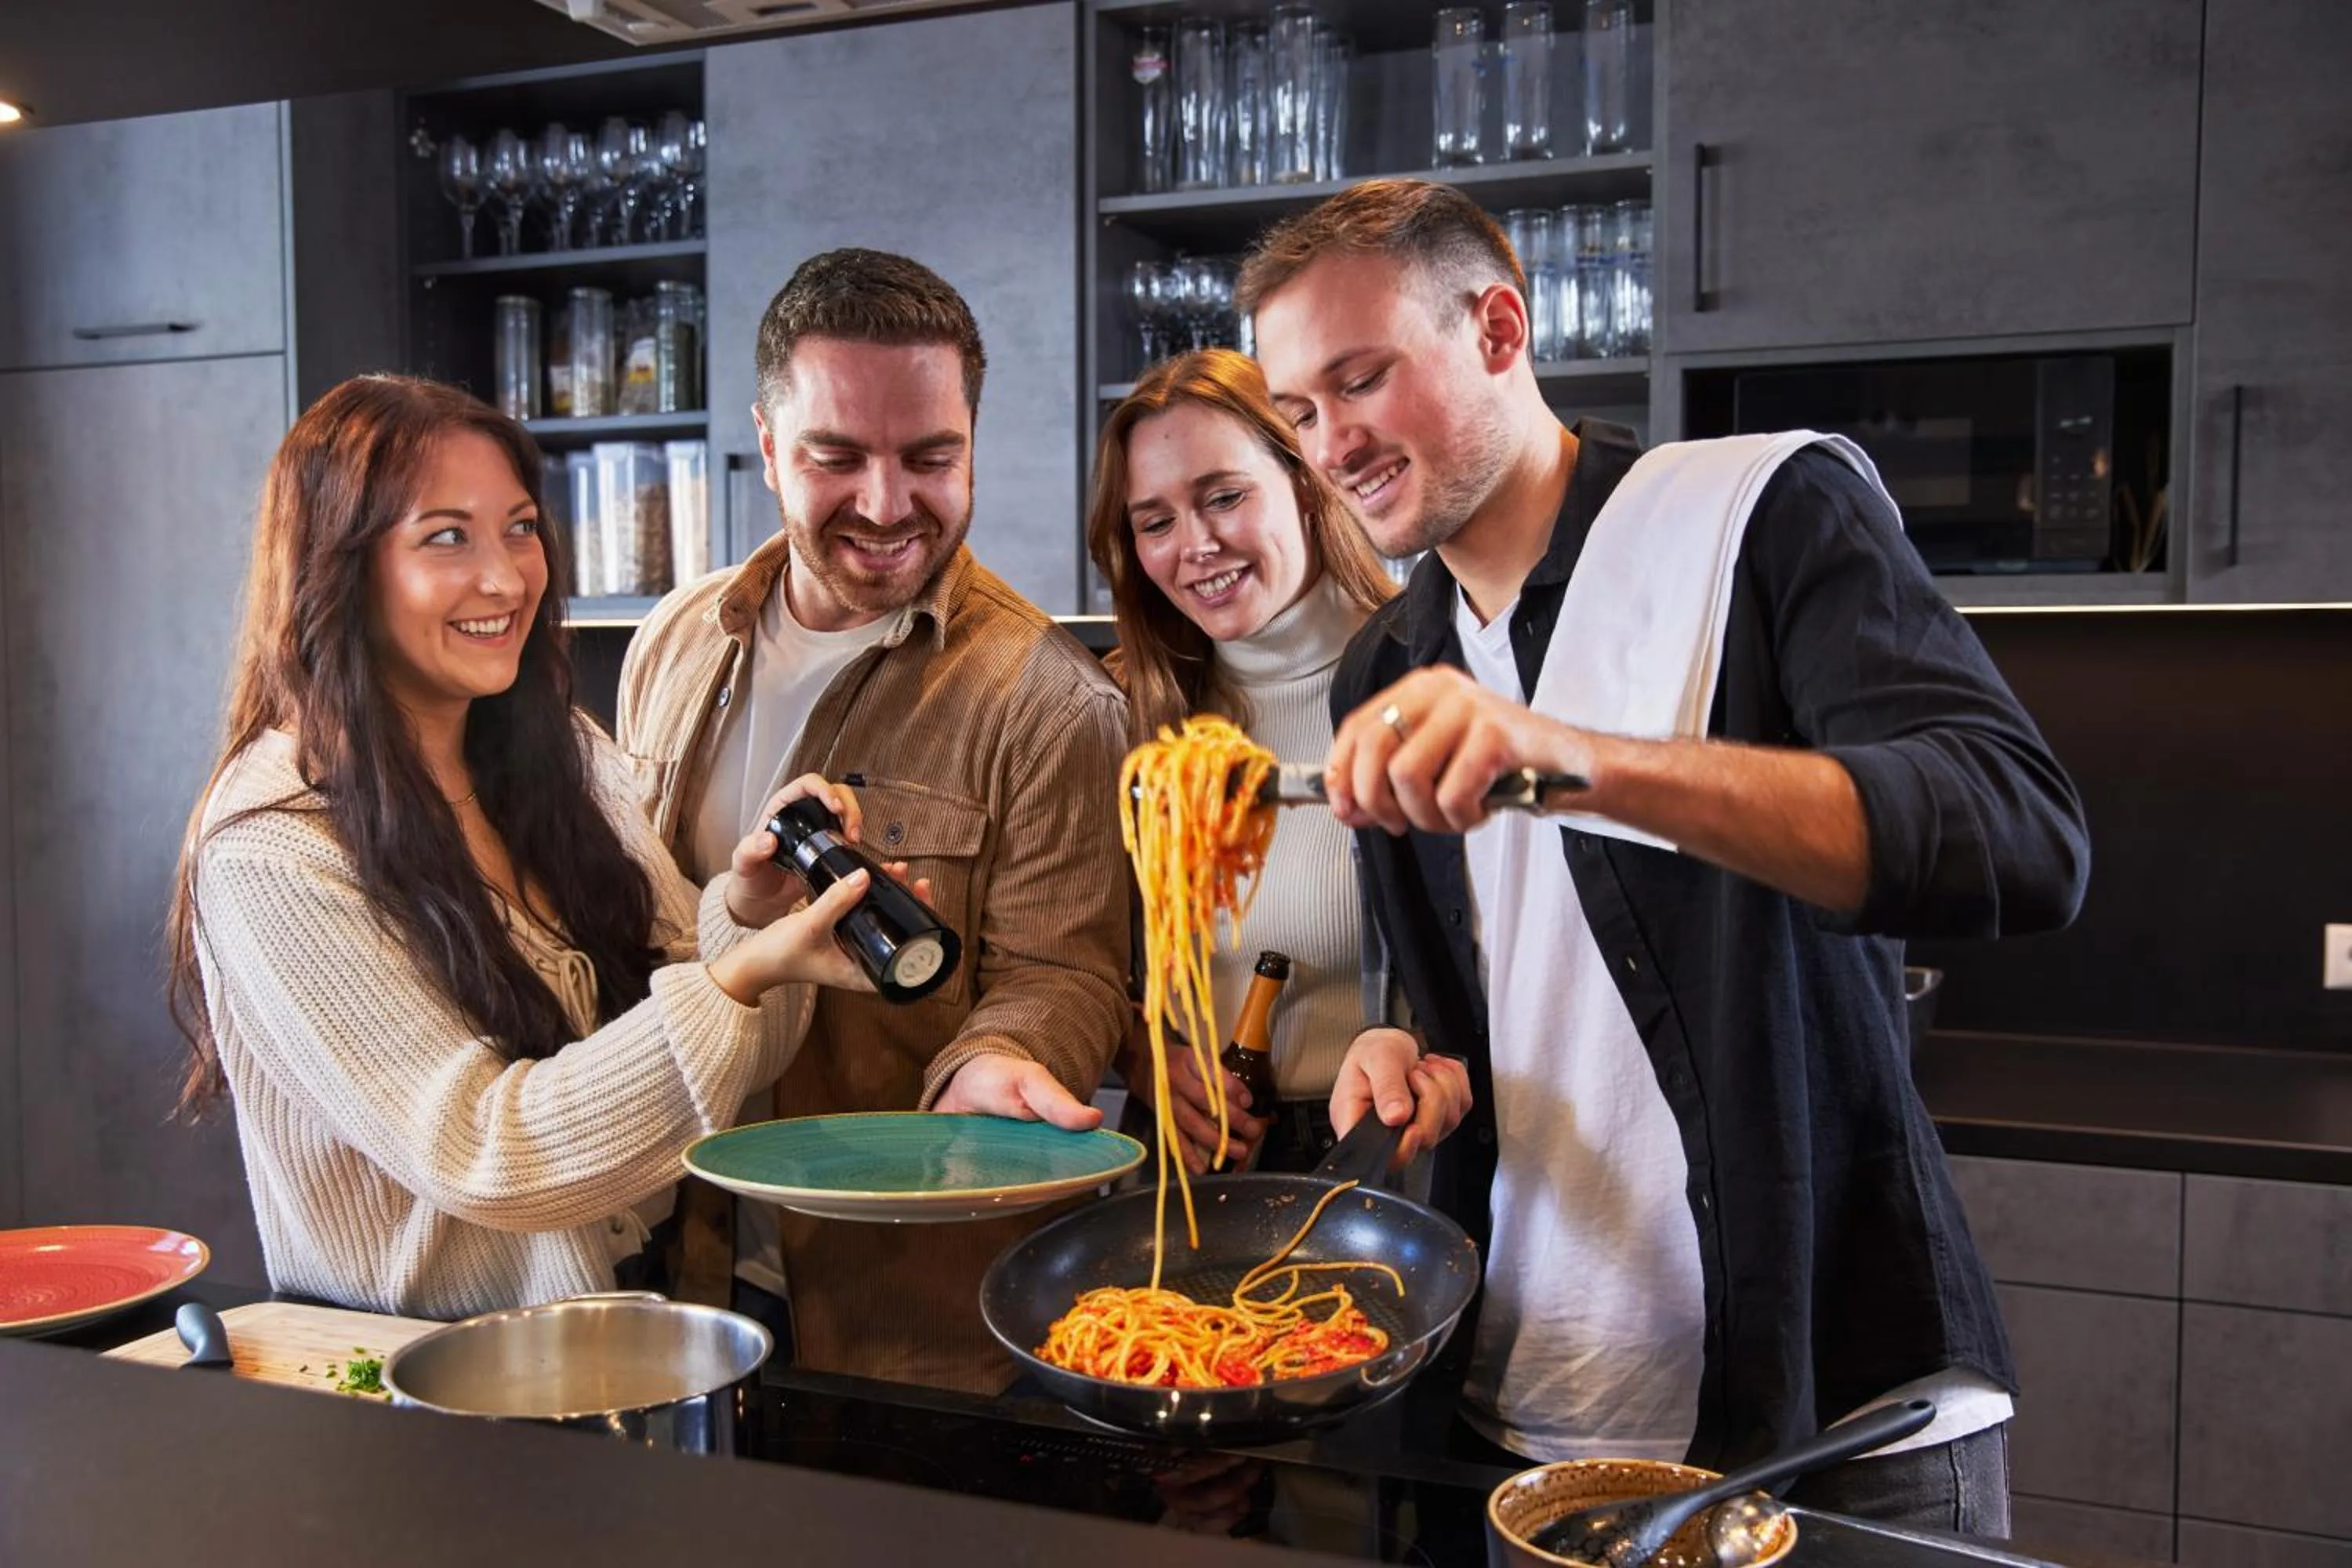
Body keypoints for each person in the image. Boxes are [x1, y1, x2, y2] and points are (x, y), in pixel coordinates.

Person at [1241, 180, 2090, 1535]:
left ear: (1501, 329)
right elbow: (1491, 997)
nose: (1332, 443)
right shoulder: (1386, 668)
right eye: (1299, 412)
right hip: (1516, 1413)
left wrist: (1583, 761)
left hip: (1831, 1414)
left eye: (1363, 380)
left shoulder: (1755, 515)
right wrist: (1406, 1053)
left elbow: (2020, 836)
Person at [165, 375, 889, 1320]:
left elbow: (722, 1052)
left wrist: (755, 915)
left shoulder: (562, 756)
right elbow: (488, 1156)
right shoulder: (274, 848)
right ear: (335, 568)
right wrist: (741, 975)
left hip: (629, 1332)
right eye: (446, 536)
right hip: (421, 1391)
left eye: (519, 526)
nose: (506, 576)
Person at [616, 249, 1131, 1393]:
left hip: (902, 1308)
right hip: (669, 1264)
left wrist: (1002, 1058)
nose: (888, 504)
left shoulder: (1052, 699)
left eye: (931, 458)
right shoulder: (674, 639)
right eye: (835, 457)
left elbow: (1067, 970)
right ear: (765, 442)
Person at [1085, 347, 1471, 1177]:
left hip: (1389, 1147)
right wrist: (1140, 1050)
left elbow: (1513, 962)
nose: (1196, 546)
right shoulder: (1134, 714)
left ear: (1305, 480)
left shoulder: (1436, 680)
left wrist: (1419, 1037)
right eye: (1154, 521)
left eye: (1224, 496)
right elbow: (1072, 947)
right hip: (1189, 1162)